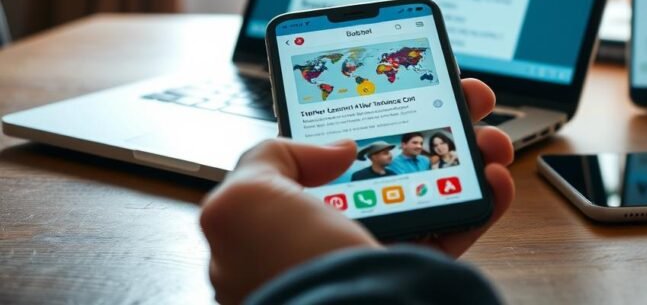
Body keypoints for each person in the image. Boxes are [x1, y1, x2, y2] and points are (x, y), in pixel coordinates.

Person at [199, 78, 513, 305]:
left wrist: (298, 283)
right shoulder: (364, 173)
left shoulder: (406, 170)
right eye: (386, 152)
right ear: (376, 155)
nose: (390, 156)